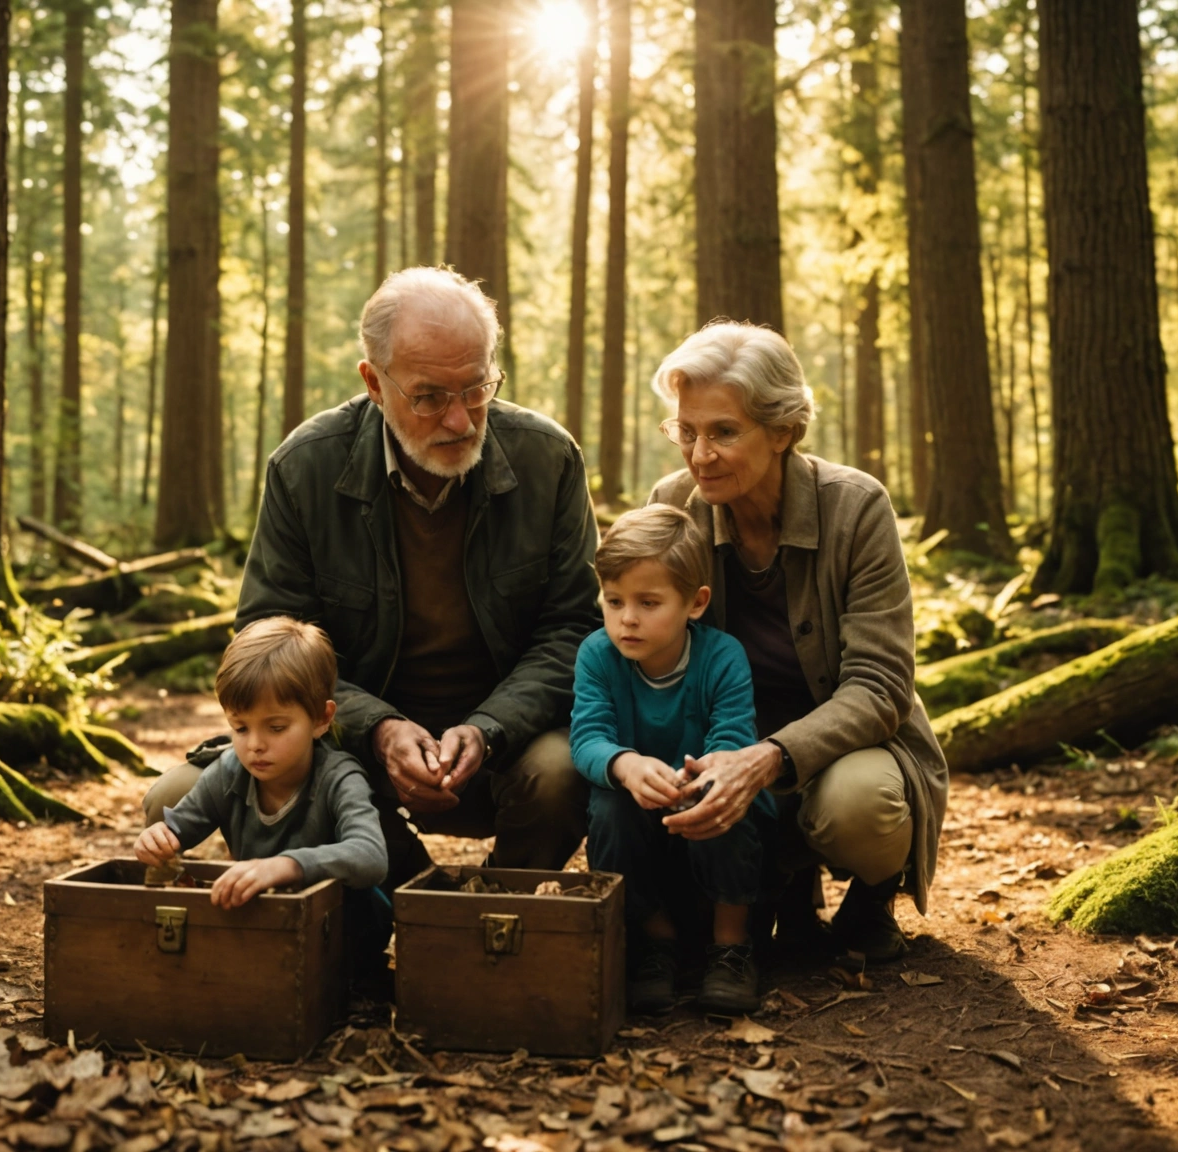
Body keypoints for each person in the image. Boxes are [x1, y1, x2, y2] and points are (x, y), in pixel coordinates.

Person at [142, 267, 599, 887]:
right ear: (374, 384)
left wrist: (488, 729)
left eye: (476, 387)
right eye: (430, 396)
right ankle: (409, 899)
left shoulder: (548, 459)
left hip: (503, 747)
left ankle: (496, 917)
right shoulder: (306, 467)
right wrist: (378, 728)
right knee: (172, 797)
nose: (462, 420)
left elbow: (576, 627)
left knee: (562, 770)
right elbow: (267, 630)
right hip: (345, 748)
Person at [642, 321, 949, 963]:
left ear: (783, 429)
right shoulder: (674, 507)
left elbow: (880, 687)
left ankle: (871, 900)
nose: (700, 456)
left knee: (857, 804)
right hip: (720, 742)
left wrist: (768, 758)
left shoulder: (856, 508)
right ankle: (777, 889)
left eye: (724, 431)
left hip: (844, 748)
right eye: (687, 431)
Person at [571, 504, 775, 1014]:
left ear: (696, 602)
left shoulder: (721, 656)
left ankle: (731, 945)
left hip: (703, 793)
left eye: (648, 602)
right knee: (607, 806)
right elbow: (588, 736)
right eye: (613, 601)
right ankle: (652, 943)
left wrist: (707, 774)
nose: (628, 619)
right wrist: (625, 765)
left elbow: (732, 735)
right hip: (639, 802)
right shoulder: (598, 655)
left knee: (724, 796)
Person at [133, 617, 392, 974]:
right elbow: (176, 831)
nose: (255, 745)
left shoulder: (339, 777)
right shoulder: (227, 771)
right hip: (261, 923)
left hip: (338, 928)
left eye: (276, 727)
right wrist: (156, 839)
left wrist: (287, 865)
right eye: (240, 727)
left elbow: (371, 856)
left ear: (320, 719)